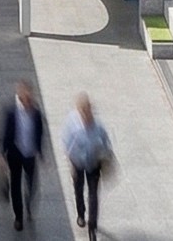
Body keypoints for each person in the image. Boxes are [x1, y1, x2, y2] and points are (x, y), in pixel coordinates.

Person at [0, 80, 49, 232]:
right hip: (14, 153)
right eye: (24, 95)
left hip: (30, 154)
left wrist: (40, 152)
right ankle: (18, 217)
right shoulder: (10, 111)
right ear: (19, 96)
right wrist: (1, 153)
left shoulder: (36, 112)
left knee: (32, 184)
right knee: (15, 185)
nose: (27, 99)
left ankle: (29, 203)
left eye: (29, 95)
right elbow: (4, 133)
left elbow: (40, 133)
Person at [63, 94, 113, 240]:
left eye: (88, 111)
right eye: (83, 111)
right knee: (78, 189)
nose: (86, 114)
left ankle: (92, 226)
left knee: (93, 195)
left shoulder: (98, 127)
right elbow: (67, 143)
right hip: (78, 163)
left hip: (93, 164)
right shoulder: (73, 124)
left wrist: (104, 154)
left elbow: (106, 143)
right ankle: (80, 213)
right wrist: (71, 159)